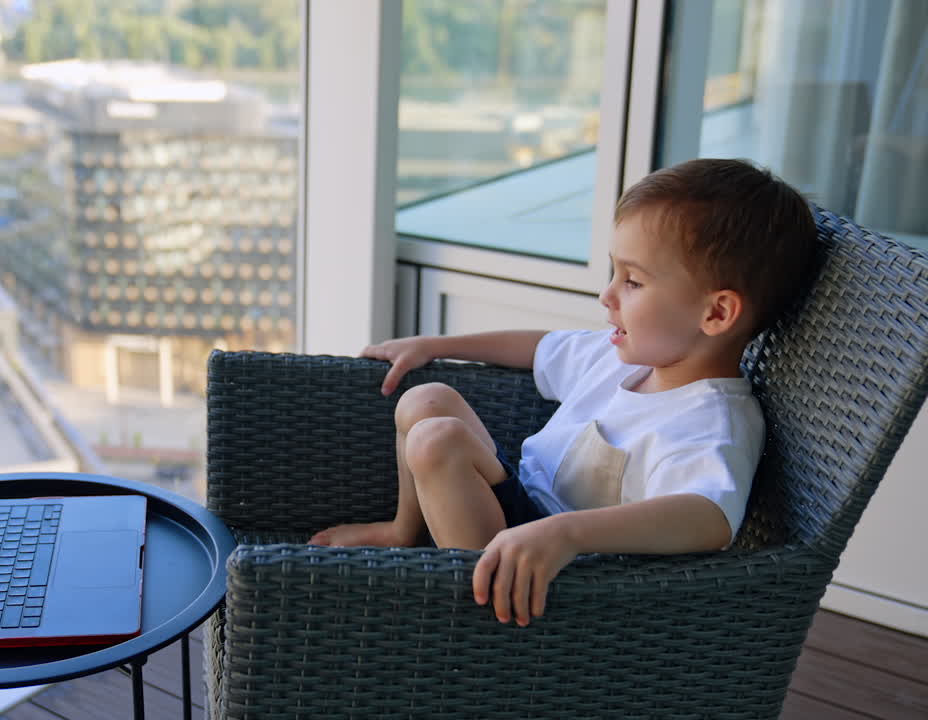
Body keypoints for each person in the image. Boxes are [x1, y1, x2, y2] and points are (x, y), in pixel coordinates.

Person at [308, 158, 818, 628]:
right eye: (614, 272)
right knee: (426, 399)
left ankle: (474, 614)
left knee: (436, 439)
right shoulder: (624, 356)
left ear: (716, 314)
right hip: (521, 508)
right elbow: (539, 347)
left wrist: (566, 533)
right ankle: (406, 531)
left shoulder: (713, 420)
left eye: (633, 282)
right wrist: (435, 344)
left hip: (560, 573)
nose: (607, 295)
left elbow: (709, 519)